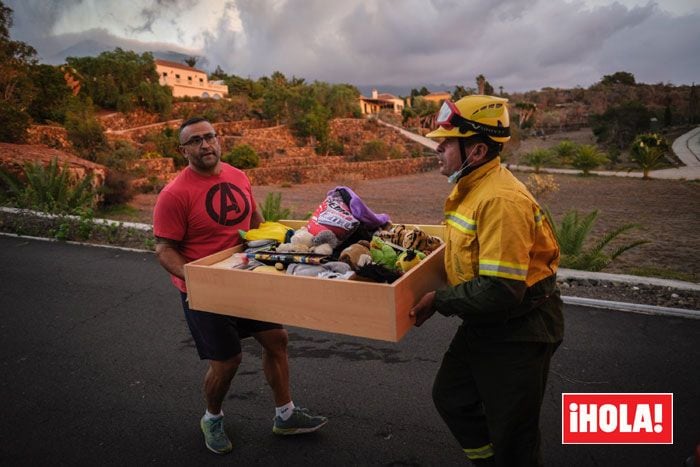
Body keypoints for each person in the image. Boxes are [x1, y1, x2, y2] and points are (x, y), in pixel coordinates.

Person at [153, 117, 327, 455]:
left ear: (219, 140)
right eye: (196, 141)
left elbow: (256, 223)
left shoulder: (238, 176)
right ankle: (212, 418)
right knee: (227, 361)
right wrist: (197, 279)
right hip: (206, 290)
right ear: (183, 150)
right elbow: (164, 249)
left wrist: (288, 246)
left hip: (246, 278)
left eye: (210, 137)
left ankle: (285, 415)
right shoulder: (174, 194)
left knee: (277, 340)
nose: (205, 145)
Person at [409, 95, 564, 467]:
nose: (439, 149)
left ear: (476, 150)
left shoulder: (500, 200)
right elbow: (468, 255)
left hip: (520, 331)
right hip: (486, 322)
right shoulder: (474, 187)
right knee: (451, 397)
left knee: (514, 435)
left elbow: (502, 289)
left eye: (446, 143)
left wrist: (439, 300)